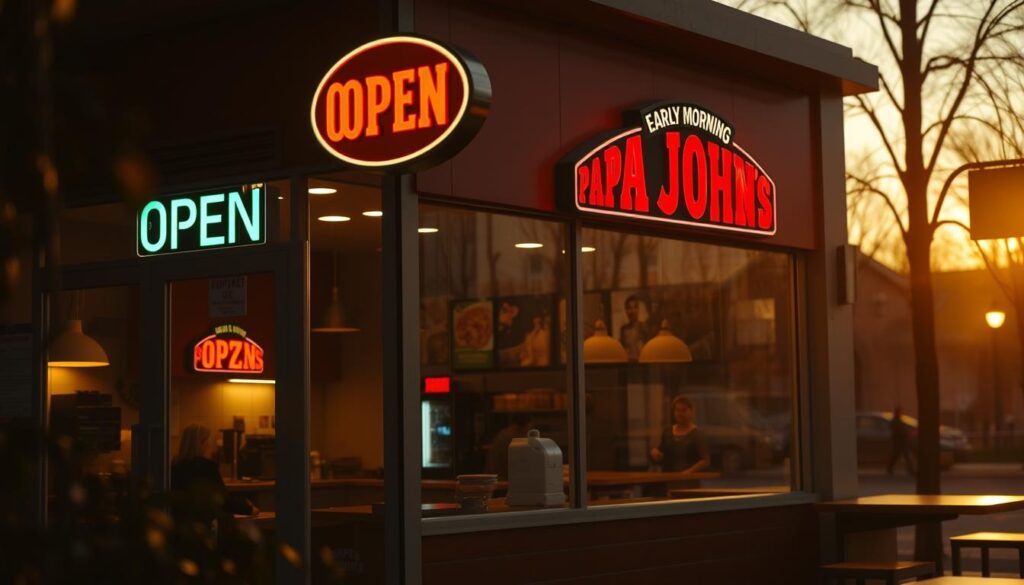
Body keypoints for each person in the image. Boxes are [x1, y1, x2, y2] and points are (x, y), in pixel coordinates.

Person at [171, 424, 256, 526]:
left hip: (178, 525)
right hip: (203, 526)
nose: (210, 443)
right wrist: (249, 509)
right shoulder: (206, 467)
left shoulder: (174, 466)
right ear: (201, 443)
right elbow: (223, 501)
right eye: (208, 440)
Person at [650, 395, 710, 473]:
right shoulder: (668, 432)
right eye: (677, 410)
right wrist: (655, 453)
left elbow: (705, 460)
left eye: (684, 410)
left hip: (689, 480)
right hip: (668, 478)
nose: (680, 413)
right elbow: (661, 450)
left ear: (691, 412)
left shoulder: (697, 435)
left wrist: (689, 471)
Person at [485, 414, 531, 480]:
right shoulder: (516, 439)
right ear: (525, 426)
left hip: (494, 480)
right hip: (503, 482)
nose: (528, 432)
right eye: (529, 428)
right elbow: (521, 466)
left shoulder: (503, 433)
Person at [887, 406, 915, 476]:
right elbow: (898, 430)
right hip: (899, 440)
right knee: (899, 455)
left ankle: (910, 469)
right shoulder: (895, 421)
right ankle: (910, 469)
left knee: (901, 455)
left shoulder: (897, 420)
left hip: (901, 441)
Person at [619, 294, 648, 361]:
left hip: (642, 364)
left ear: (638, 309)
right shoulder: (623, 329)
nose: (632, 311)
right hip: (627, 364)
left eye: (635, 307)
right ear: (626, 310)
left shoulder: (644, 327)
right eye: (629, 308)